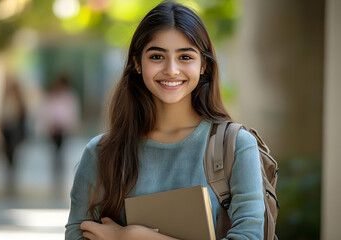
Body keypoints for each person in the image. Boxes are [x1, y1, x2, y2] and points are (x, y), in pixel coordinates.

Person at [65, 1, 265, 239]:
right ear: (138, 63)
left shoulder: (235, 146)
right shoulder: (100, 153)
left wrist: (132, 237)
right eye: (157, 56)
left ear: (203, 65)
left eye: (185, 57)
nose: (171, 69)